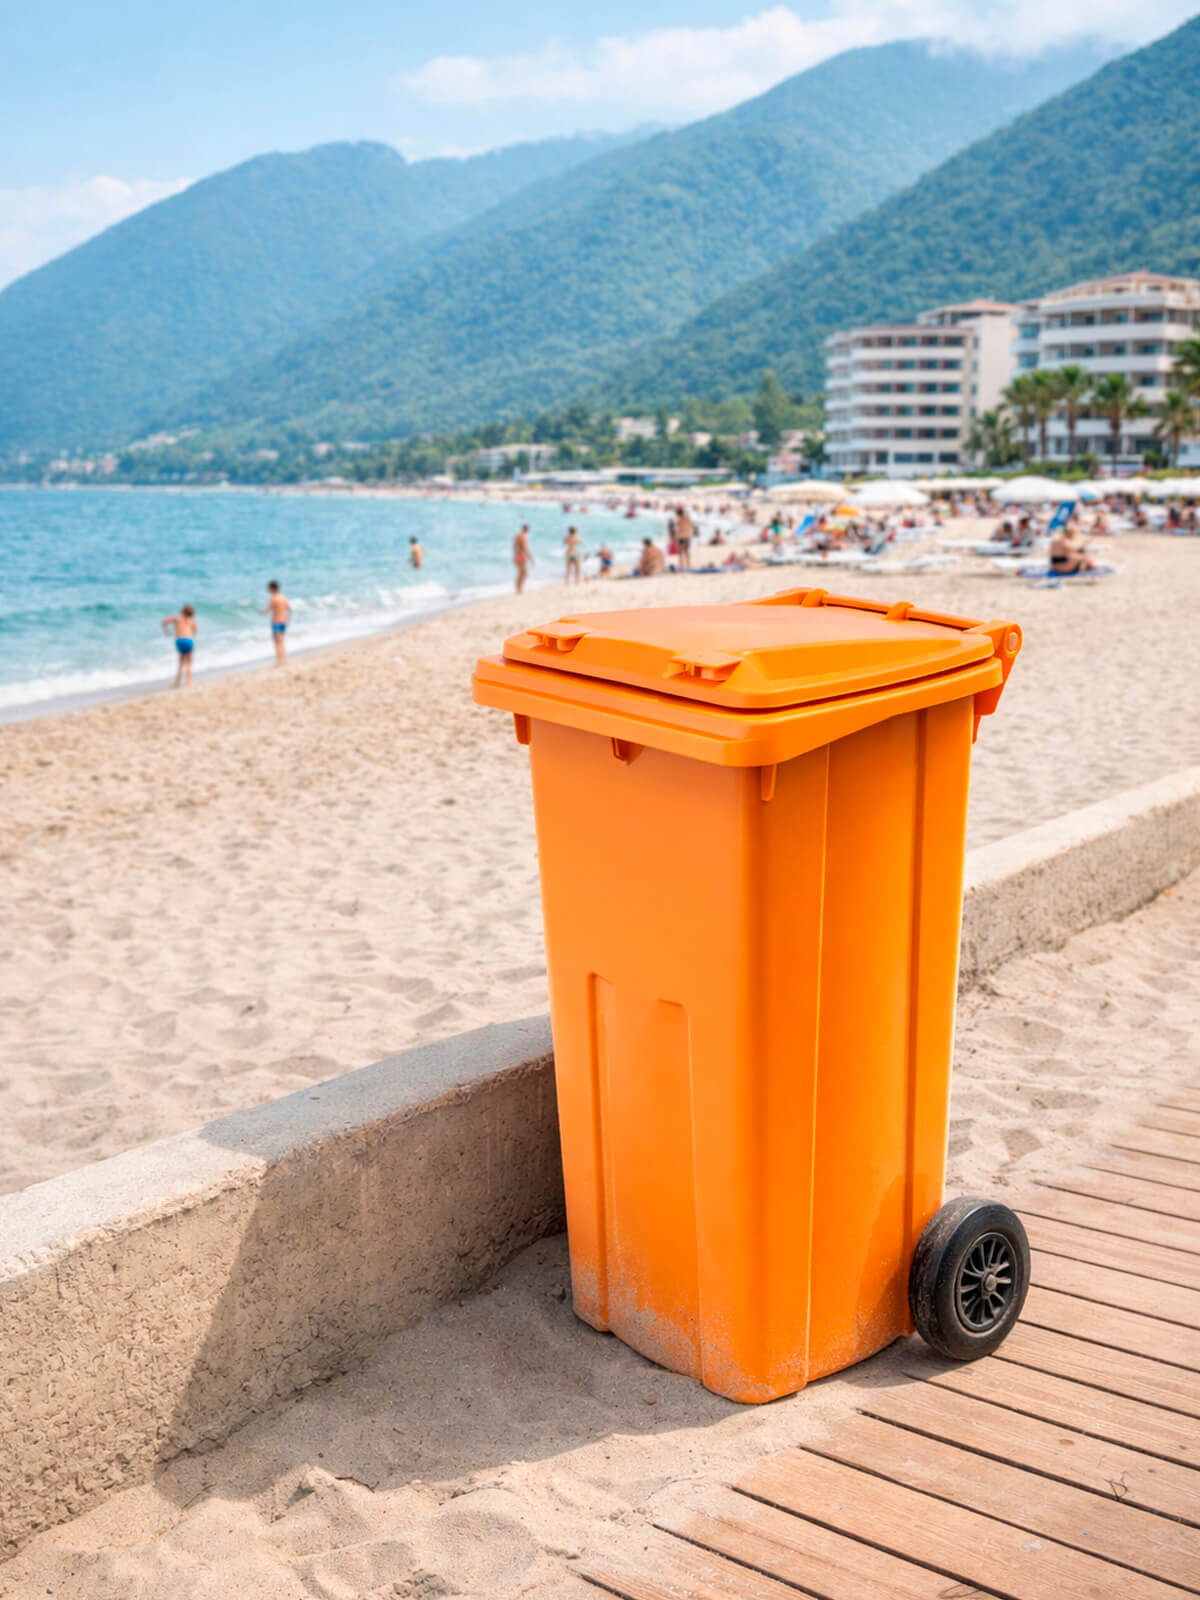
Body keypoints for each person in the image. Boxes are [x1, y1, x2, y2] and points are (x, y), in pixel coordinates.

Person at [162, 604, 197, 689]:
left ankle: (177, 683)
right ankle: (189, 682)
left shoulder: (177, 618)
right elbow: (194, 631)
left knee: (181, 663)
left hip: (179, 640)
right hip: (188, 640)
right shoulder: (192, 621)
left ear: (183, 610)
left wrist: (167, 631)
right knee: (189, 663)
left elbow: (164, 621)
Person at [259, 580, 291, 666]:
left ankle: (279, 661)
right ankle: (284, 660)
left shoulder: (274, 599)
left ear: (272, 588)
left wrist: (261, 612)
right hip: (283, 622)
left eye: (269, 588)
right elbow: (289, 609)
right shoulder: (283, 598)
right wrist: (288, 620)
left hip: (276, 622)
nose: (268, 590)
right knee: (282, 642)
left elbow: (267, 610)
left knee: (277, 642)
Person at [513, 525, 534, 593]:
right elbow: (525, 548)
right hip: (521, 556)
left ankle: (518, 588)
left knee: (521, 573)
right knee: (524, 573)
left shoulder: (517, 535)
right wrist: (531, 558)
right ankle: (519, 589)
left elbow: (515, 547)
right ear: (527, 529)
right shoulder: (523, 536)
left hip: (517, 555)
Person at [676, 506, 694, 570]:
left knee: (680, 551)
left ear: (678, 513)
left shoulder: (679, 519)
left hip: (682, 536)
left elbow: (678, 528)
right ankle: (688, 565)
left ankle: (681, 565)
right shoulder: (688, 518)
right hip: (688, 536)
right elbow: (692, 524)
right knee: (687, 551)